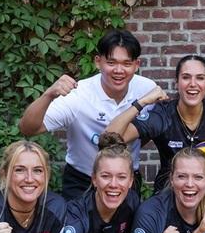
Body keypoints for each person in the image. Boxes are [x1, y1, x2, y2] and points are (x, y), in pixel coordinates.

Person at [18, 29, 157, 199]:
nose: (119, 70)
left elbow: (151, 129)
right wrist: (48, 94)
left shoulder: (147, 90)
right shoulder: (79, 94)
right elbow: (28, 128)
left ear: (136, 65)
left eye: (127, 64)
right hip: (81, 180)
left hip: (125, 180)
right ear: (98, 62)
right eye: (111, 63)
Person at [106, 54, 205, 193]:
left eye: (200, 78)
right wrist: (142, 102)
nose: (192, 83)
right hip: (167, 192)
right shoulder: (163, 114)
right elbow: (109, 138)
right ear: (176, 83)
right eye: (185, 77)